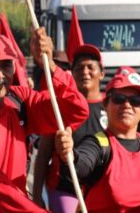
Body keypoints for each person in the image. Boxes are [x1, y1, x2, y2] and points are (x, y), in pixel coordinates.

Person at [0, 29, 89, 212]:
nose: (0, 75)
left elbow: (76, 110)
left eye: (6, 65)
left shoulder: (19, 100)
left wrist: (49, 64)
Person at [54, 68, 140, 212]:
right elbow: (79, 166)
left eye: (136, 101)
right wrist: (69, 153)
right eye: (119, 99)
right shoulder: (99, 144)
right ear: (105, 104)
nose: (127, 105)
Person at [32, 44, 107, 211]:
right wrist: (36, 195)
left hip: (102, 190)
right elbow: (43, 153)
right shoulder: (61, 107)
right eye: (79, 68)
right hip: (65, 189)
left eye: (90, 67)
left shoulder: (114, 105)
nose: (85, 72)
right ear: (72, 73)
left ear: (102, 73)